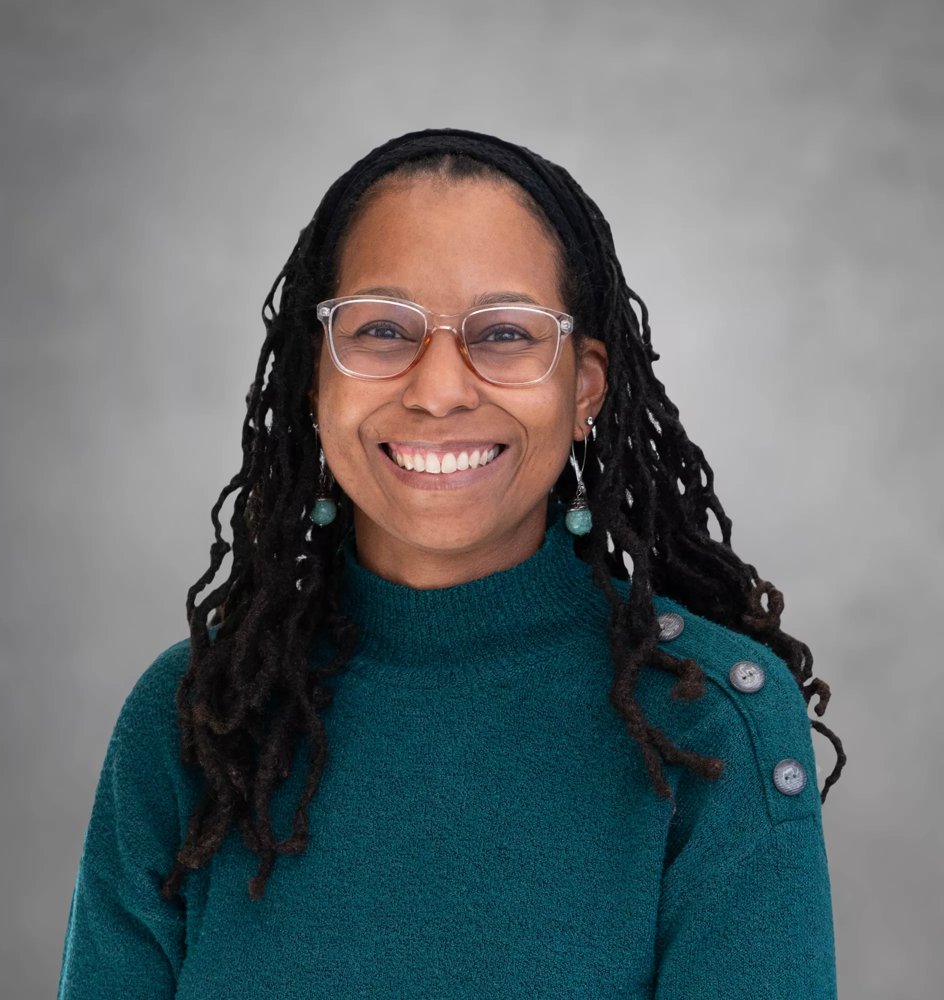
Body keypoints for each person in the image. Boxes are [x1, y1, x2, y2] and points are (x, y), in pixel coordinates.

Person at [57, 128, 845, 999]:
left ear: (584, 387)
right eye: (382, 330)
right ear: (315, 379)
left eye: (503, 333)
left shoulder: (714, 731)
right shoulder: (200, 720)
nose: (438, 391)